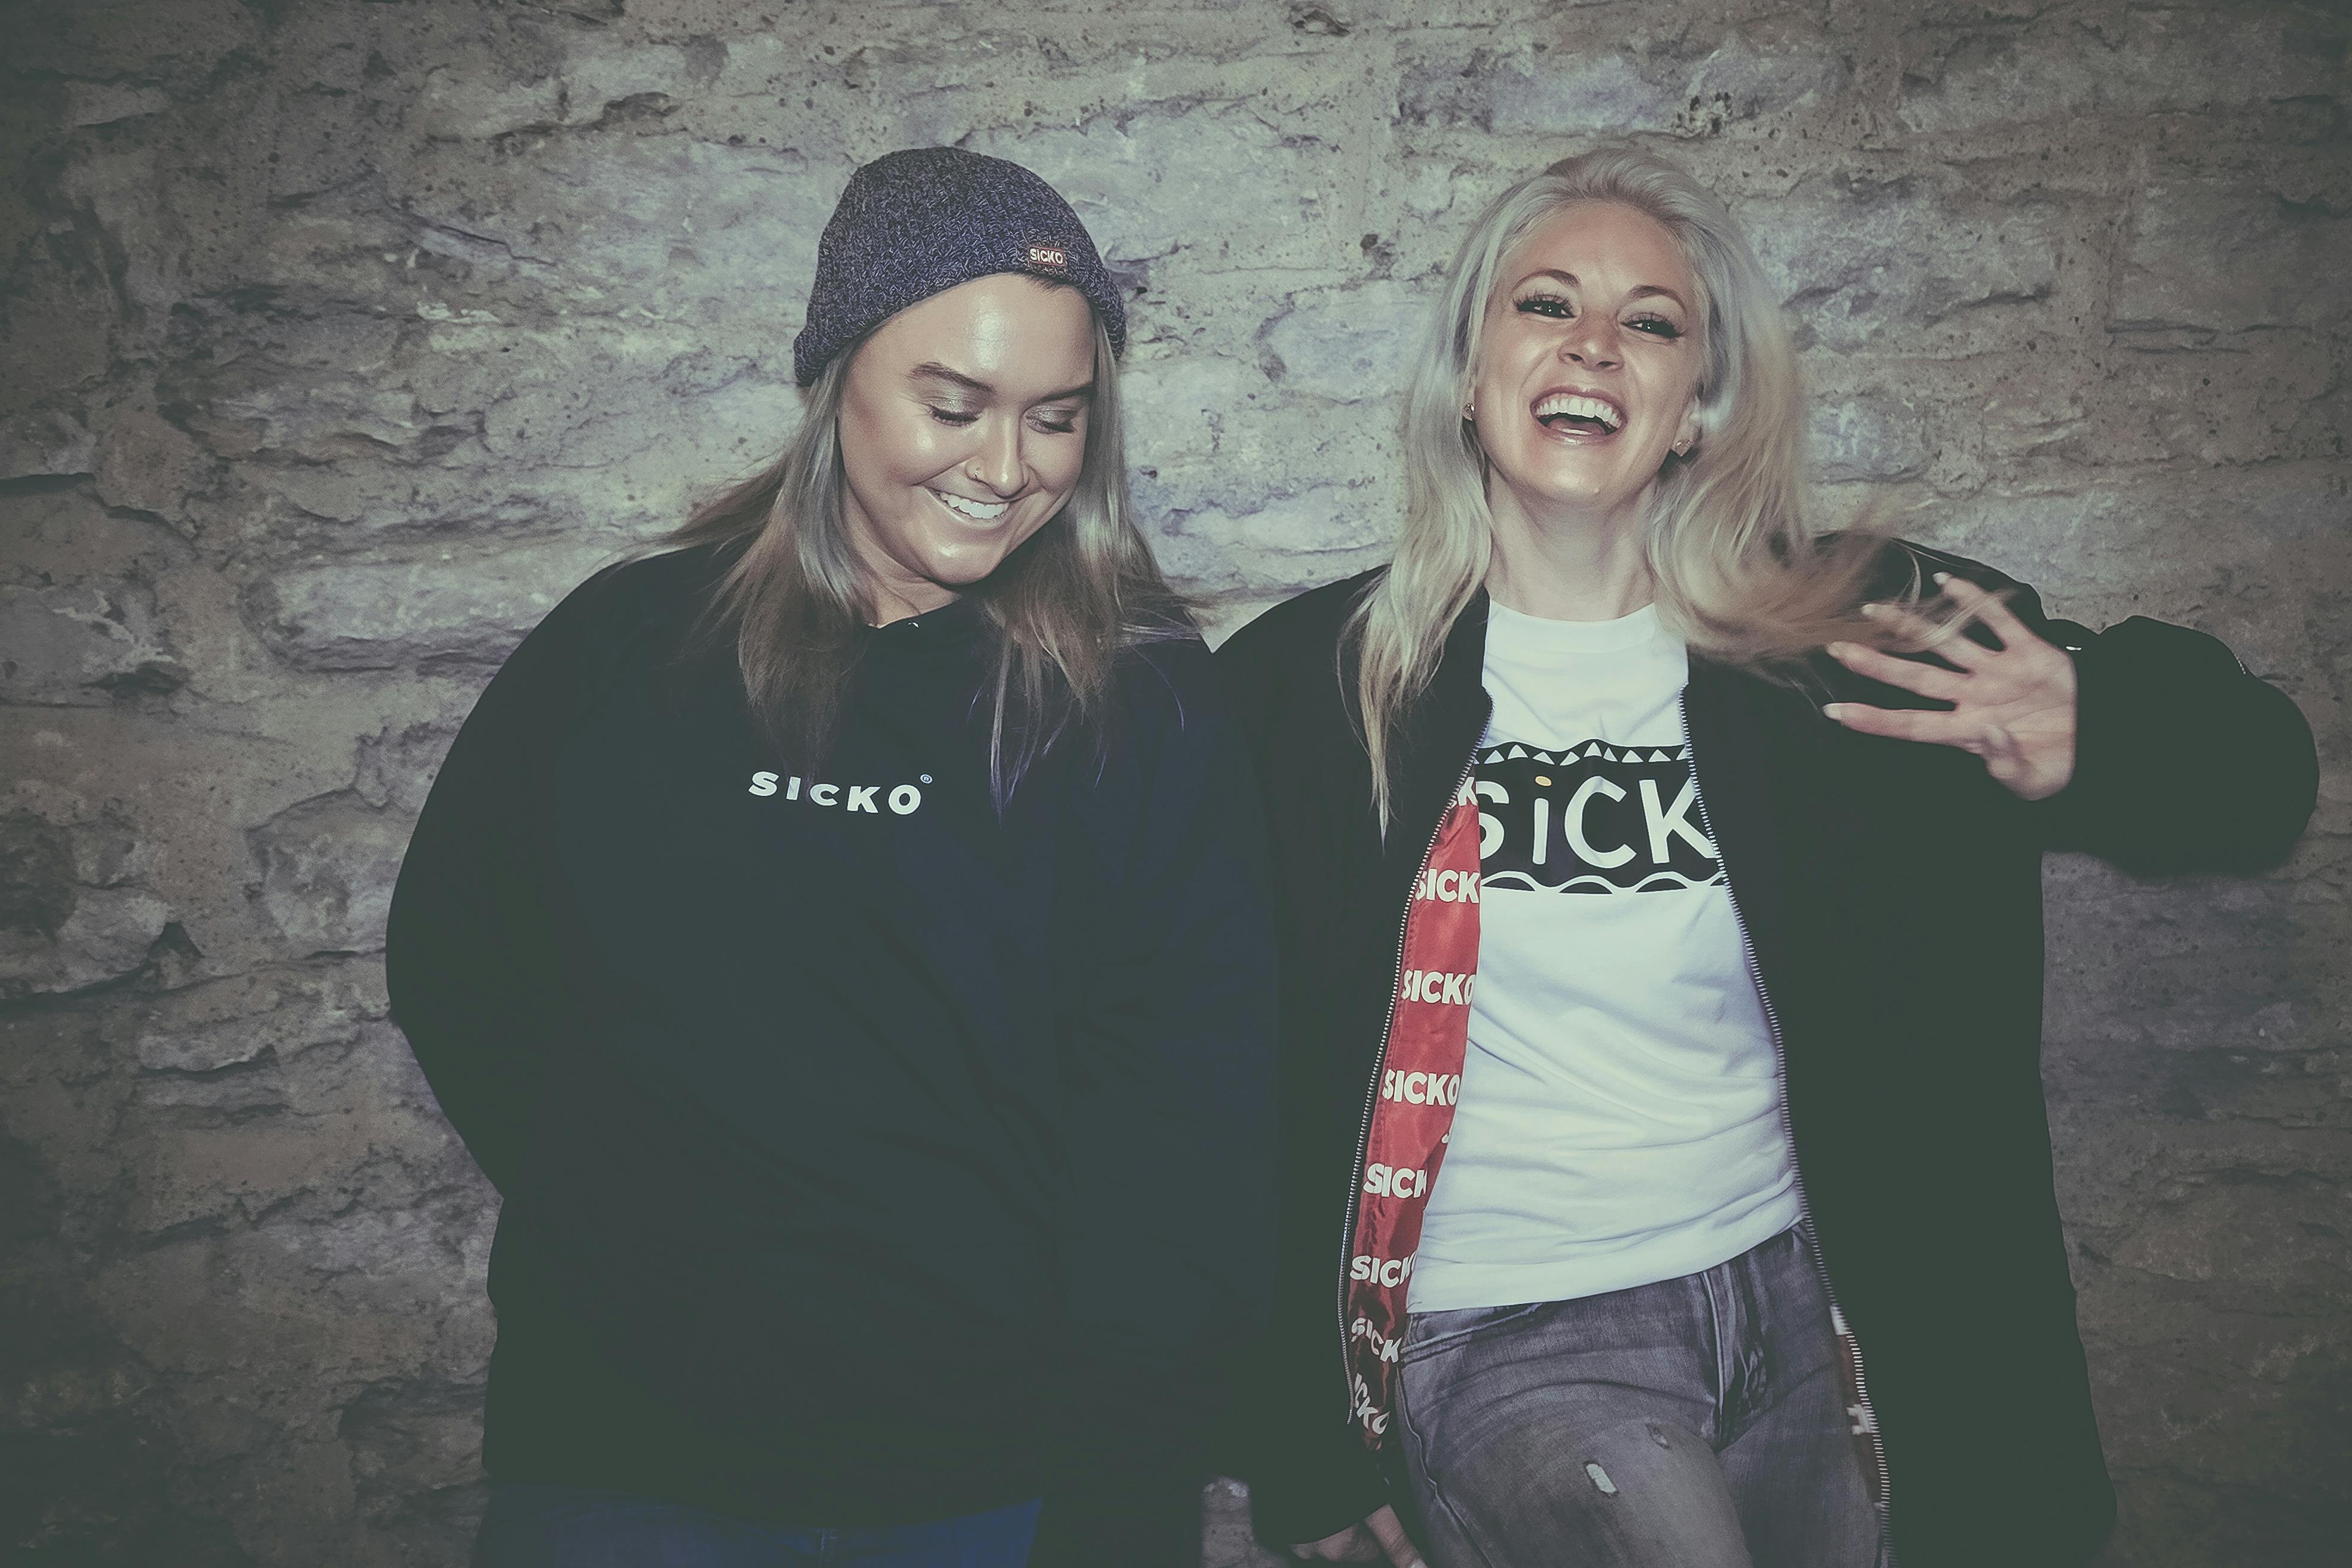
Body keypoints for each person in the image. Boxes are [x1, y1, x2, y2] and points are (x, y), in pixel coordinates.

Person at [1215, 145, 2317, 1568]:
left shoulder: (1844, 640)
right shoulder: (1309, 689)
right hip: (1507, 1327)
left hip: (1805, 1306)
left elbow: (2264, 775)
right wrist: (1297, 1436)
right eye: (1545, 302)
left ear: (1696, 411)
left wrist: (2099, 730)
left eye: (1651, 321)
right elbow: (1212, 1078)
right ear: (1470, 378)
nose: (1594, 343)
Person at [387, 148, 1276, 1568]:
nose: (1007, 467)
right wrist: (619, 1220)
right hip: (628, 1447)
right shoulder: (631, 645)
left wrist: (1125, 1481)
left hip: (995, 1471)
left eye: (1056, 418)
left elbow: (1195, 1112)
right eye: (953, 405)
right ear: (836, 374)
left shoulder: (1143, 695)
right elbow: (458, 951)